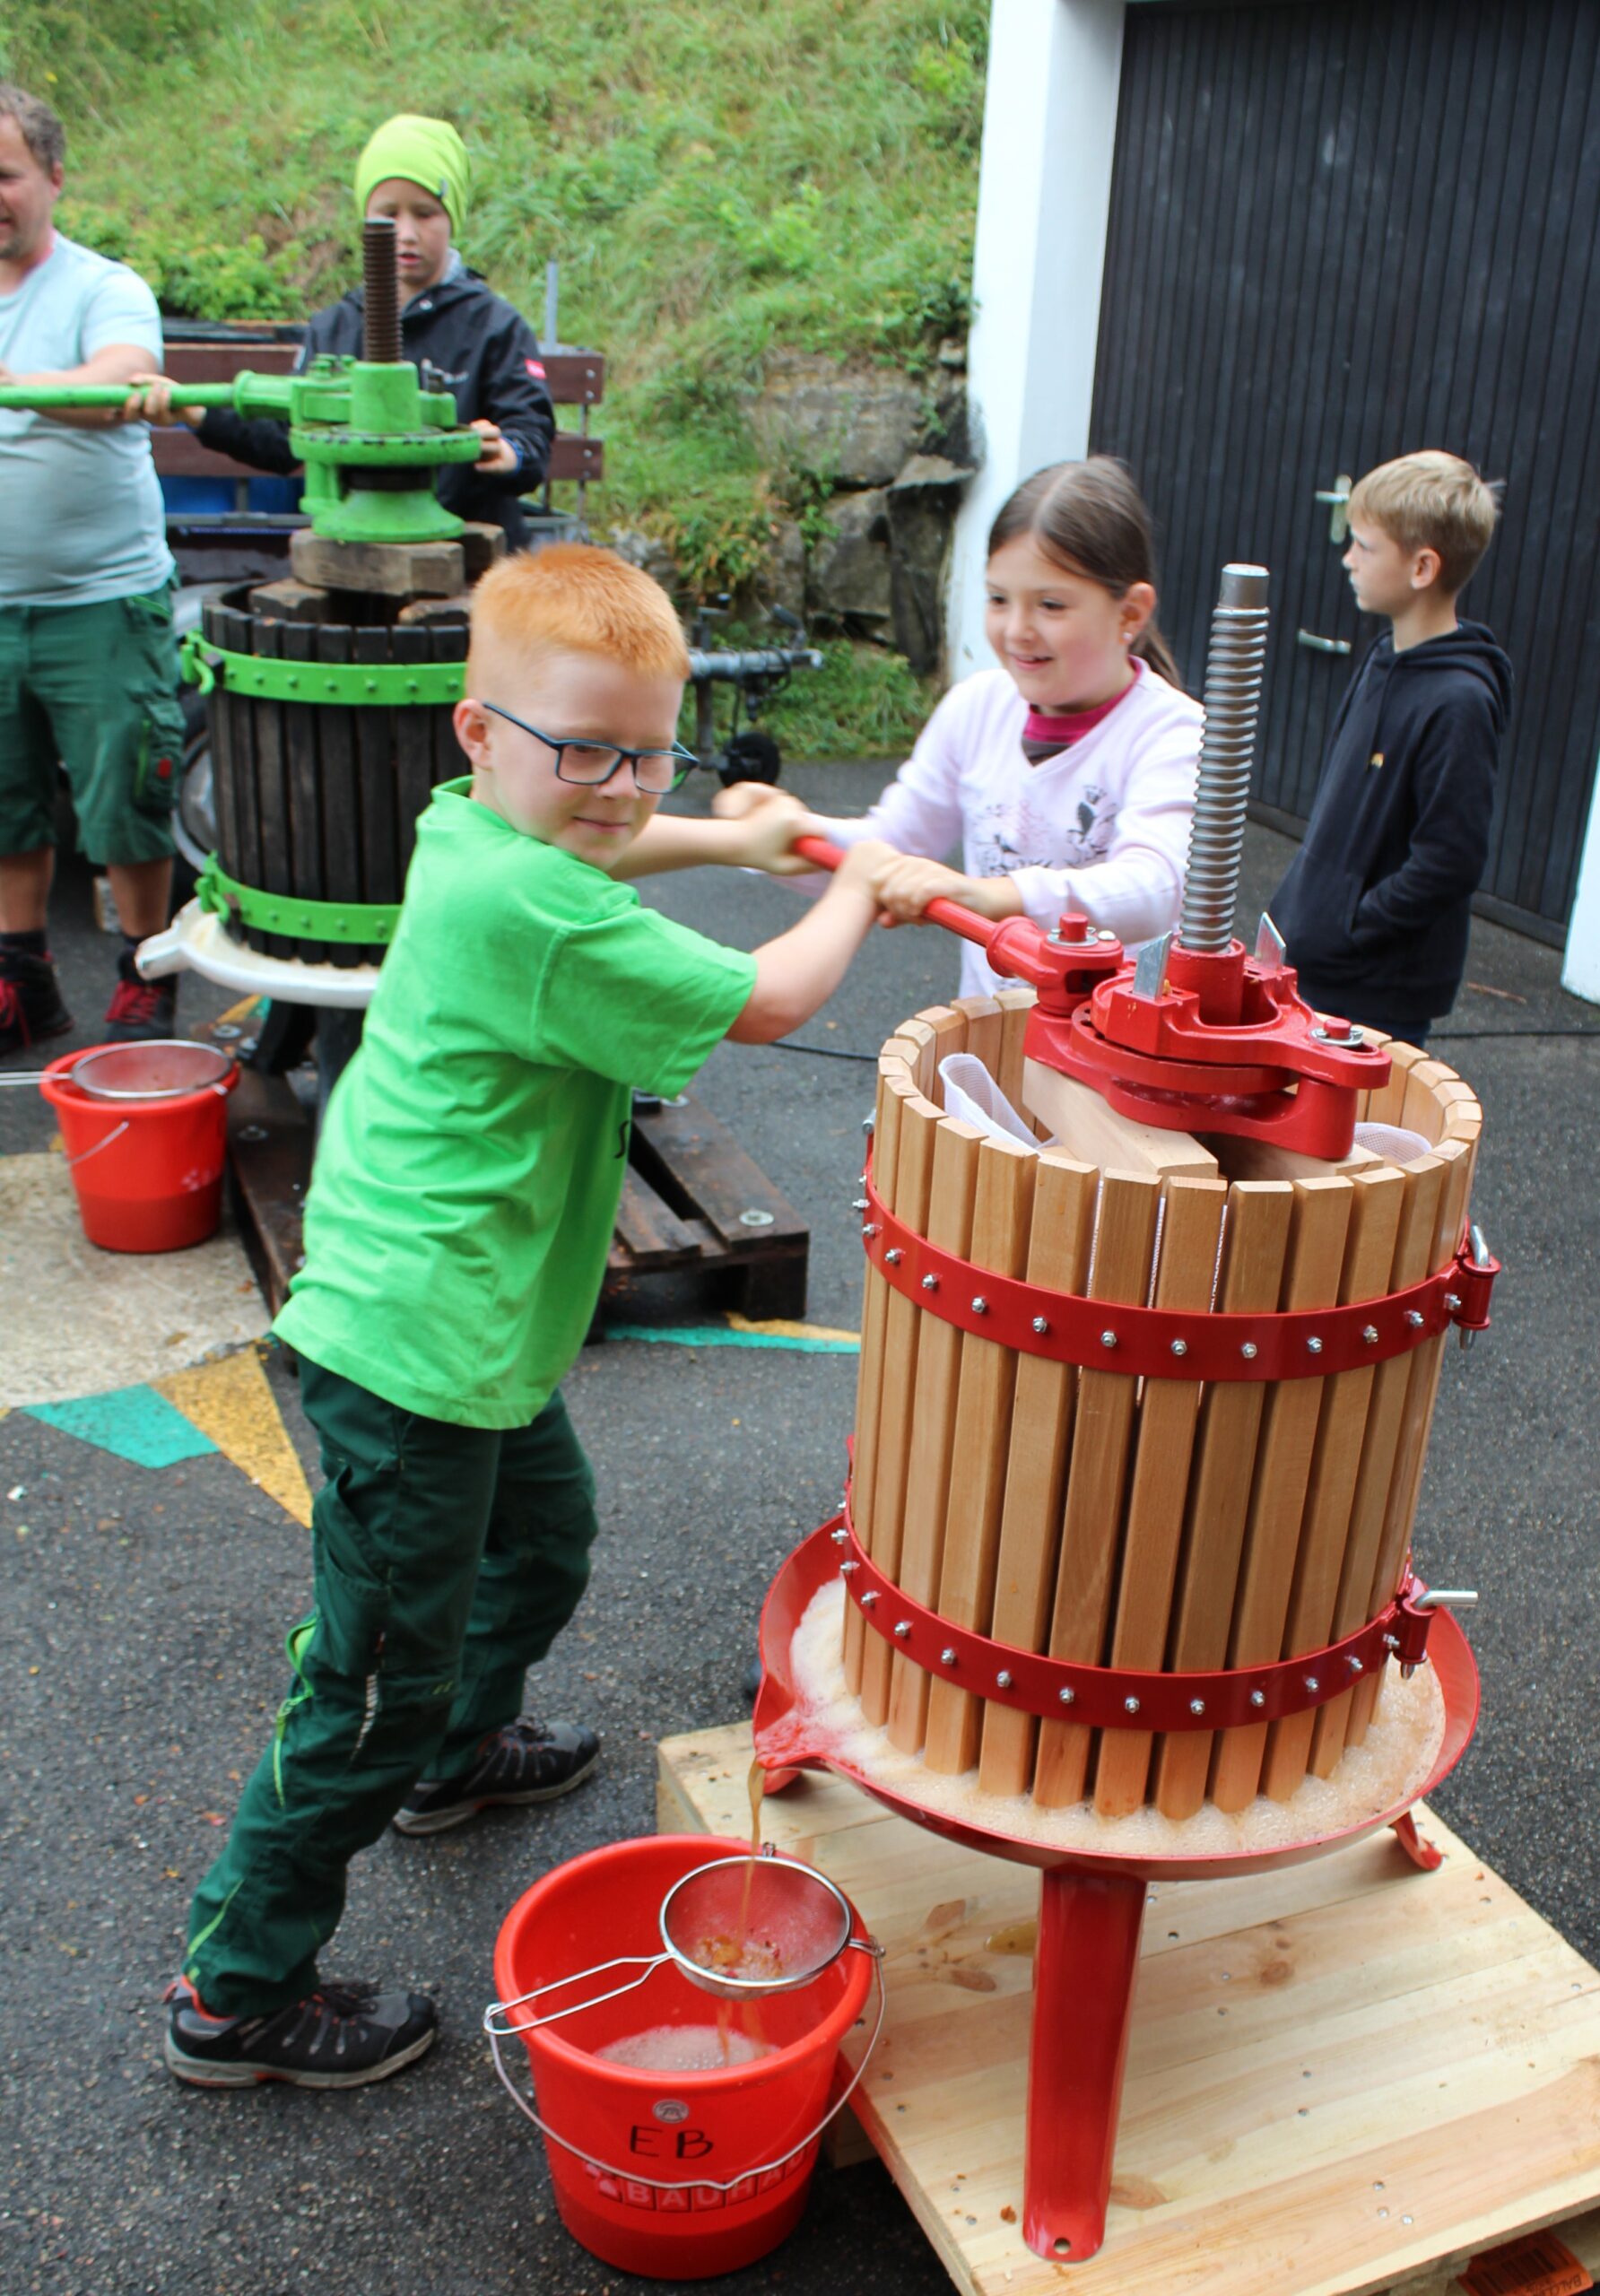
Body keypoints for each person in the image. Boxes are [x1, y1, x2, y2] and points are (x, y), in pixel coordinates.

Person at [163, 543, 889, 2090]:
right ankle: (238, 1986)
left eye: (648, 749)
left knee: (542, 1540)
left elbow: (596, 838)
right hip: (411, 1351)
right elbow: (767, 1003)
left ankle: (452, 1749)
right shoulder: (533, 914)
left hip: (474, 1335)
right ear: (476, 731)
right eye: (585, 749)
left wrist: (739, 836)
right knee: (360, 1690)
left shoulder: (470, 829)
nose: (621, 787)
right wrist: (861, 892)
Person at [717, 457, 1204, 996]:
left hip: (1114, 1053)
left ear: (1130, 614)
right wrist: (783, 835)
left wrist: (996, 895)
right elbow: (890, 846)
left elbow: (1156, 887)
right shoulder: (975, 710)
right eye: (998, 599)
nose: (1017, 630)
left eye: (1050, 605)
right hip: (989, 1038)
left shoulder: (1169, 732)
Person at [0, 83, 186, 1055]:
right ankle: (21, 979)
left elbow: (118, 382)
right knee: (4, 794)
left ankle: (144, 970)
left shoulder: (100, 287)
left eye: (6, 174)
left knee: (126, 798)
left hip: (100, 601)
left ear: (53, 179)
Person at [136, 114, 555, 544]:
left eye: (425, 213)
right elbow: (283, 438)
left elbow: (530, 429)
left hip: (467, 552)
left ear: (453, 218)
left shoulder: (494, 326)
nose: (406, 233)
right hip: (354, 552)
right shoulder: (336, 327)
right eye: (388, 214)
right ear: (365, 219)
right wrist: (196, 413)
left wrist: (508, 451)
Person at [1268, 451, 1510, 1048]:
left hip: (1375, 996)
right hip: (1316, 965)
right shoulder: (1382, 657)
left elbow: (1448, 861)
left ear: (1423, 566)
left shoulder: (1459, 702)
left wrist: (1350, 927)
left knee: (1354, 1141)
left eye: (1365, 546)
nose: (1348, 558)